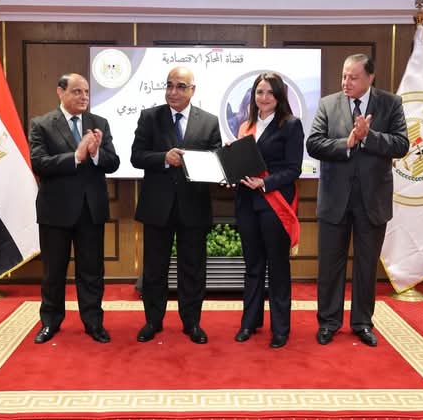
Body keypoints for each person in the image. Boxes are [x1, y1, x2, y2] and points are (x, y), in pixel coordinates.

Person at [306, 54, 408, 347]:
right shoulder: (328, 104)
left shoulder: (390, 103)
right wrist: (347, 143)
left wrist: (368, 136)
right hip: (334, 200)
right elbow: (313, 144)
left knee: (366, 266)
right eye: (344, 76)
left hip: (372, 201)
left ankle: (362, 322)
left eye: (353, 77)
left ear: (370, 78)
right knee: (330, 265)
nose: (346, 82)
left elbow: (401, 145)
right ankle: (329, 322)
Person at [131, 66, 222, 344]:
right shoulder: (150, 117)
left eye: (181, 86)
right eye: (169, 85)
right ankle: (153, 321)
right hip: (157, 206)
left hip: (193, 206)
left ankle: (192, 323)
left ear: (193, 90)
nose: (173, 91)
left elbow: (216, 160)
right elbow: (136, 156)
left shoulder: (209, 121)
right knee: (154, 269)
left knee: (193, 269)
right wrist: (163, 158)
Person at [29, 73, 120, 344]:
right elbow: (39, 163)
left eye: (87, 92)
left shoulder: (99, 123)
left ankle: (93, 322)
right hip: (55, 211)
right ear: (61, 92)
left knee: (91, 271)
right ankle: (50, 322)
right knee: (53, 271)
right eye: (77, 91)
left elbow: (113, 163)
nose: (84, 97)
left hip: (91, 210)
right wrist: (76, 157)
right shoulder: (42, 124)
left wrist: (96, 153)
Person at [233, 72, 304, 349]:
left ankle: (280, 328)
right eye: (259, 92)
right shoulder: (245, 125)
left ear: (279, 96)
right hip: (247, 204)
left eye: (270, 93)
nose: (264, 97)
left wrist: (265, 182)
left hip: (275, 203)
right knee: (252, 266)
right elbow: (243, 164)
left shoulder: (291, 125)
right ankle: (249, 323)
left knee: (277, 267)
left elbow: (293, 169)